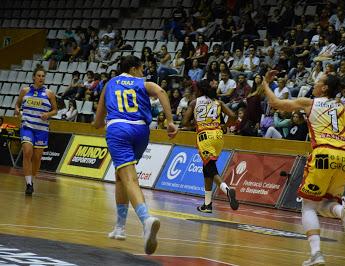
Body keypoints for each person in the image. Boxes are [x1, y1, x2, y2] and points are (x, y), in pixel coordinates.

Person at [262, 70, 345, 266]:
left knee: (308, 206)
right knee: (324, 204)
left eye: (318, 81)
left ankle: (316, 253)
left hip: (323, 154)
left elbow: (276, 104)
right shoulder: (344, 107)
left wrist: (265, 85)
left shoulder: (309, 103)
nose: (314, 84)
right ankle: (342, 212)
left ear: (325, 88)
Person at [92, 55, 178, 255]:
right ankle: (120, 227)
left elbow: (98, 120)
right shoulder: (142, 83)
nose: (143, 73)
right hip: (141, 131)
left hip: (119, 130)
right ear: (133, 69)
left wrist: (96, 125)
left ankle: (146, 219)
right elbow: (161, 91)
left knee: (129, 178)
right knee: (120, 176)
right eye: (141, 69)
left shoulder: (110, 84)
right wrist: (171, 121)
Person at [182, 80, 239, 213]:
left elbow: (184, 122)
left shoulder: (194, 102)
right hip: (218, 136)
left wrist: (195, 124)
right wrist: (225, 126)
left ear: (200, 90)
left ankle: (227, 190)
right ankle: (207, 204)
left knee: (210, 168)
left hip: (205, 136)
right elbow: (233, 116)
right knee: (207, 168)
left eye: (196, 90)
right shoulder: (218, 102)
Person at [14, 64, 58, 195]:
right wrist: (17, 109)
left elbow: (55, 110)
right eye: (38, 75)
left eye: (43, 76)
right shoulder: (25, 91)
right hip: (27, 126)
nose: (41, 78)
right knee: (27, 152)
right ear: (34, 77)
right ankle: (28, 184)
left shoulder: (49, 93)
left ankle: (32, 180)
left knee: (37, 157)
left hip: (42, 129)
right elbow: (17, 103)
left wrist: (47, 114)